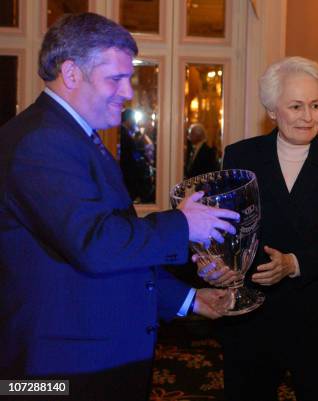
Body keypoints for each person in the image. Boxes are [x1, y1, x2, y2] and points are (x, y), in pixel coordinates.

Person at [0, 13, 239, 401]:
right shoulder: (43, 141)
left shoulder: (71, 136)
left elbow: (109, 253)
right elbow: (94, 243)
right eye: (115, 78)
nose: (128, 92)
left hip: (88, 357)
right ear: (72, 73)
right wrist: (182, 224)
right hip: (61, 367)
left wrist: (189, 299)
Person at [200, 56, 318, 401]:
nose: (308, 116)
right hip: (252, 319)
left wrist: (293, 263)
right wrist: (212, 262)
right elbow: (227, 234)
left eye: (316, 105)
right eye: (296, 106)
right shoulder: (241, 156)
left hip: (317, 319)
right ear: (273, 110)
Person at [120, 108, 155, 202]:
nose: (135, 122)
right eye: (134, 119)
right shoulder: (124, 134)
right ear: (129, 119)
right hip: (128, 176)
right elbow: (132, 156)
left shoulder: (126, 133)